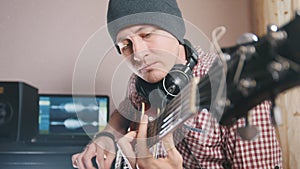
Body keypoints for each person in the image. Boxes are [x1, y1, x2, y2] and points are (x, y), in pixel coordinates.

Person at [72, 0, 283, 168]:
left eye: (147, 34)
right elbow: (127, 108)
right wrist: (106, 136)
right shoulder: (139, 83)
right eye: (125, 45)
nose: (138, 54)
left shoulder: (234, 84)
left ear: (174, 30)